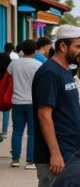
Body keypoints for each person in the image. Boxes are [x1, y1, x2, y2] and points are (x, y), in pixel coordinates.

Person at [33, 25, 80, 187]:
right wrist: (55, 154)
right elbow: (44, 115)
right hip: (56, 157)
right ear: (63, 47)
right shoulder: (49, 73)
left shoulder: (65, 72)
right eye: (78, 47)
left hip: (70, 151)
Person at [9, 39, 41, 169]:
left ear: (22, 49)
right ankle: (30, 161)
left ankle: (15, 159)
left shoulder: (14, 64)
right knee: (32, 133)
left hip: (17, 101)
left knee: (17, 131)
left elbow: (9, 80)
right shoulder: (38, 65)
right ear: (34, 50)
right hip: (33, 102)